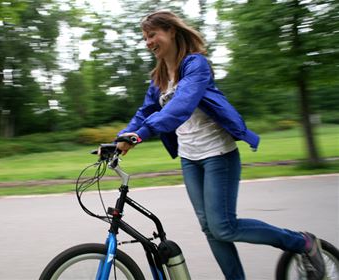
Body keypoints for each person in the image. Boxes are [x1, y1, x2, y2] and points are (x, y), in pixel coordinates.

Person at [116, 10, 325, 280]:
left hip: (218, 154)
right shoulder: (159, 78)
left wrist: (141, 134)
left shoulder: (195, 65)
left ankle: (302, 243)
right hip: (190, 158)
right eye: (145, 37)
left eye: (152, 34)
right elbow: (142, 113)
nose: (148, 42)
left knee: (223, 227)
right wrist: (117, 140)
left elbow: (181, 106)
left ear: (172, 32)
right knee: (209, 228)